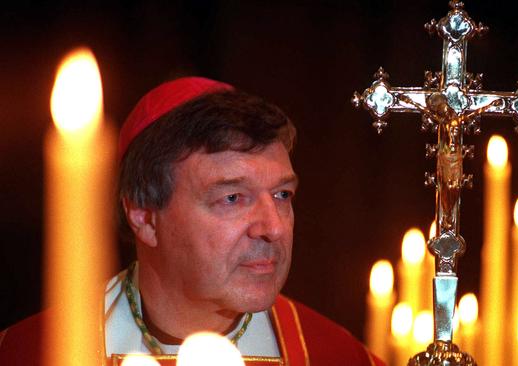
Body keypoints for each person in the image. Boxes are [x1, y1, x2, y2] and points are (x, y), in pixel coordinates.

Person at [0, 77, 384, 366]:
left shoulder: (333, 355)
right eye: (233, 198)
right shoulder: (28, 353)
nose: (274, 228)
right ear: (144, 216)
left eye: (282, 195)